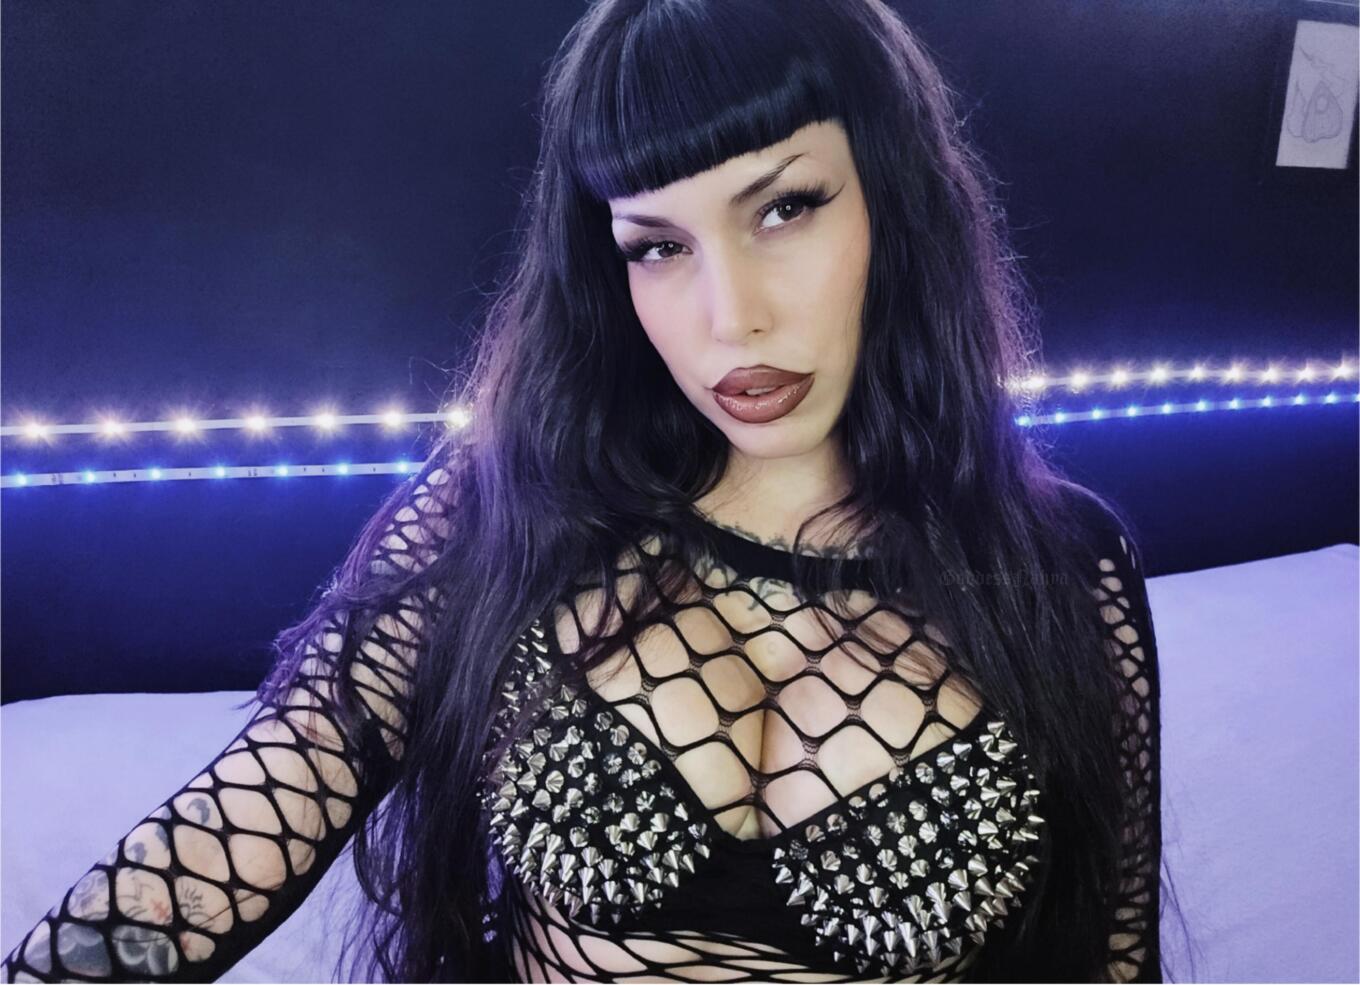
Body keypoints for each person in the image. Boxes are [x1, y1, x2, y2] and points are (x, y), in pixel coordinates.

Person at [1, 0, 1185, 980]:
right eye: (656, 245)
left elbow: (1112, 952)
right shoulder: (506, 506)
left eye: (784, 207)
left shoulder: (1057, 568)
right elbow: (259, 800)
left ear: (894, 199)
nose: (730, 317)